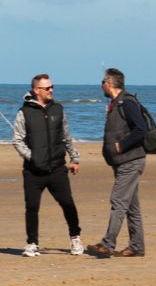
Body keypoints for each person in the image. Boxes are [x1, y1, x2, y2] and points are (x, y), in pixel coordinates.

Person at [11, 74, 83, 257]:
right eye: (47, 88)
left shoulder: (58, 109)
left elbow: (66, 136)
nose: (51, 90)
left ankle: (75, 238)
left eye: (52, 87)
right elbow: (17, 141)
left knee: (68, 204)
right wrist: (32, 157)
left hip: (57, 168)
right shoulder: (24, 112)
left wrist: (74, 158)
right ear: (37, 90)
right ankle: (32, 243)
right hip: (33, 171)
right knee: (32, 207)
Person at [87, 68, 147, 258]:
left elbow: (141, 129)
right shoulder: (116, 103)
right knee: (131, 206)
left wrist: (121, 146)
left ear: (109, 83)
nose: (101, 86)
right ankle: (137, 246)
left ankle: (108, 243)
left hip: (131, 160)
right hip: (122, 162)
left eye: (102, 82)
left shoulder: (127, 102)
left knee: (118, 201)